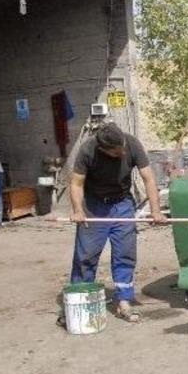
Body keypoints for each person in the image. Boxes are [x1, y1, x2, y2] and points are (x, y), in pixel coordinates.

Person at [67, 123, 166, 323]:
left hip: (122, 205)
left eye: (122, 146)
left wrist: (156, 211)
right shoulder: (88, 150)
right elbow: (77, 183)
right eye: (116, 151)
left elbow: (148, 178)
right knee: (85, 256)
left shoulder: (131, 143)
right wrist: (78, 210)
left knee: (125, 254)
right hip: (94, 207)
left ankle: (124, 302)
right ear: (102, 149)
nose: (122, 151)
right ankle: (78, 302)